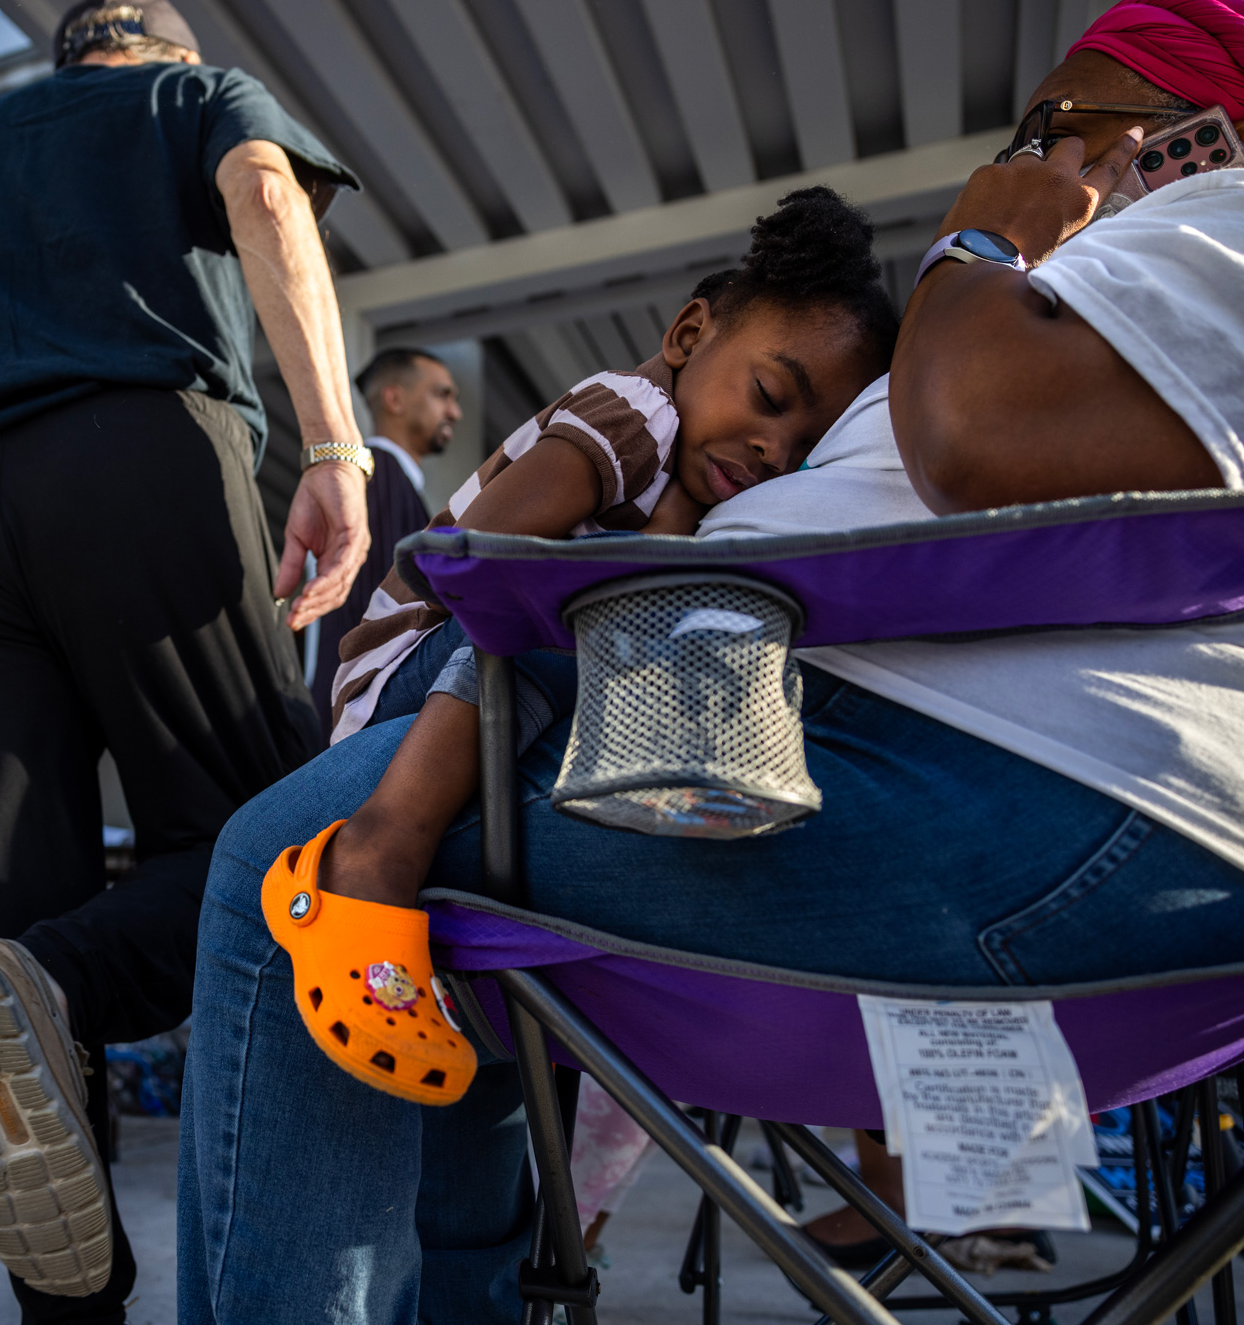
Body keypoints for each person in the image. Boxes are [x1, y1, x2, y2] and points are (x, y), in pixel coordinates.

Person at [176, 0, 1244, 1321]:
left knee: (287, 883)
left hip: (985, 812)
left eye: (1058, 127)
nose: (1033, 159)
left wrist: (983, 233)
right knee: (436, 958)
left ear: (1208, 127)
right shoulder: (1154, 304)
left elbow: (969, 440)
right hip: (922, 787)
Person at [0, 0, 367, 1311]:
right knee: (269, 834)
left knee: (12, 883)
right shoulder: (186, 96)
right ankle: (41, 977)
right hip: (136, 449)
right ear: (165, 49)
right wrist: (332, 449)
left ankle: (66, 1295)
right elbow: (267, 198)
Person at [271, 188, 898, 1103]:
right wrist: (659, 545)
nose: (771, 448)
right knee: (586, 591)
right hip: (410, 656)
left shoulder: (694, 475)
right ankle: (380, 846)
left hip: (478, 681)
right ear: (688, 334)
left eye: (801, 449)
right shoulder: (631, 413)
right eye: (769, 396)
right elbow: (483, 560)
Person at [309, 349, 460, 731]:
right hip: (354, 719)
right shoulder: (380, 477)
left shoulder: (383, 481)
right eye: (443, 395)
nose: (454, 412)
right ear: (395, 399)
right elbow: (380, 617)